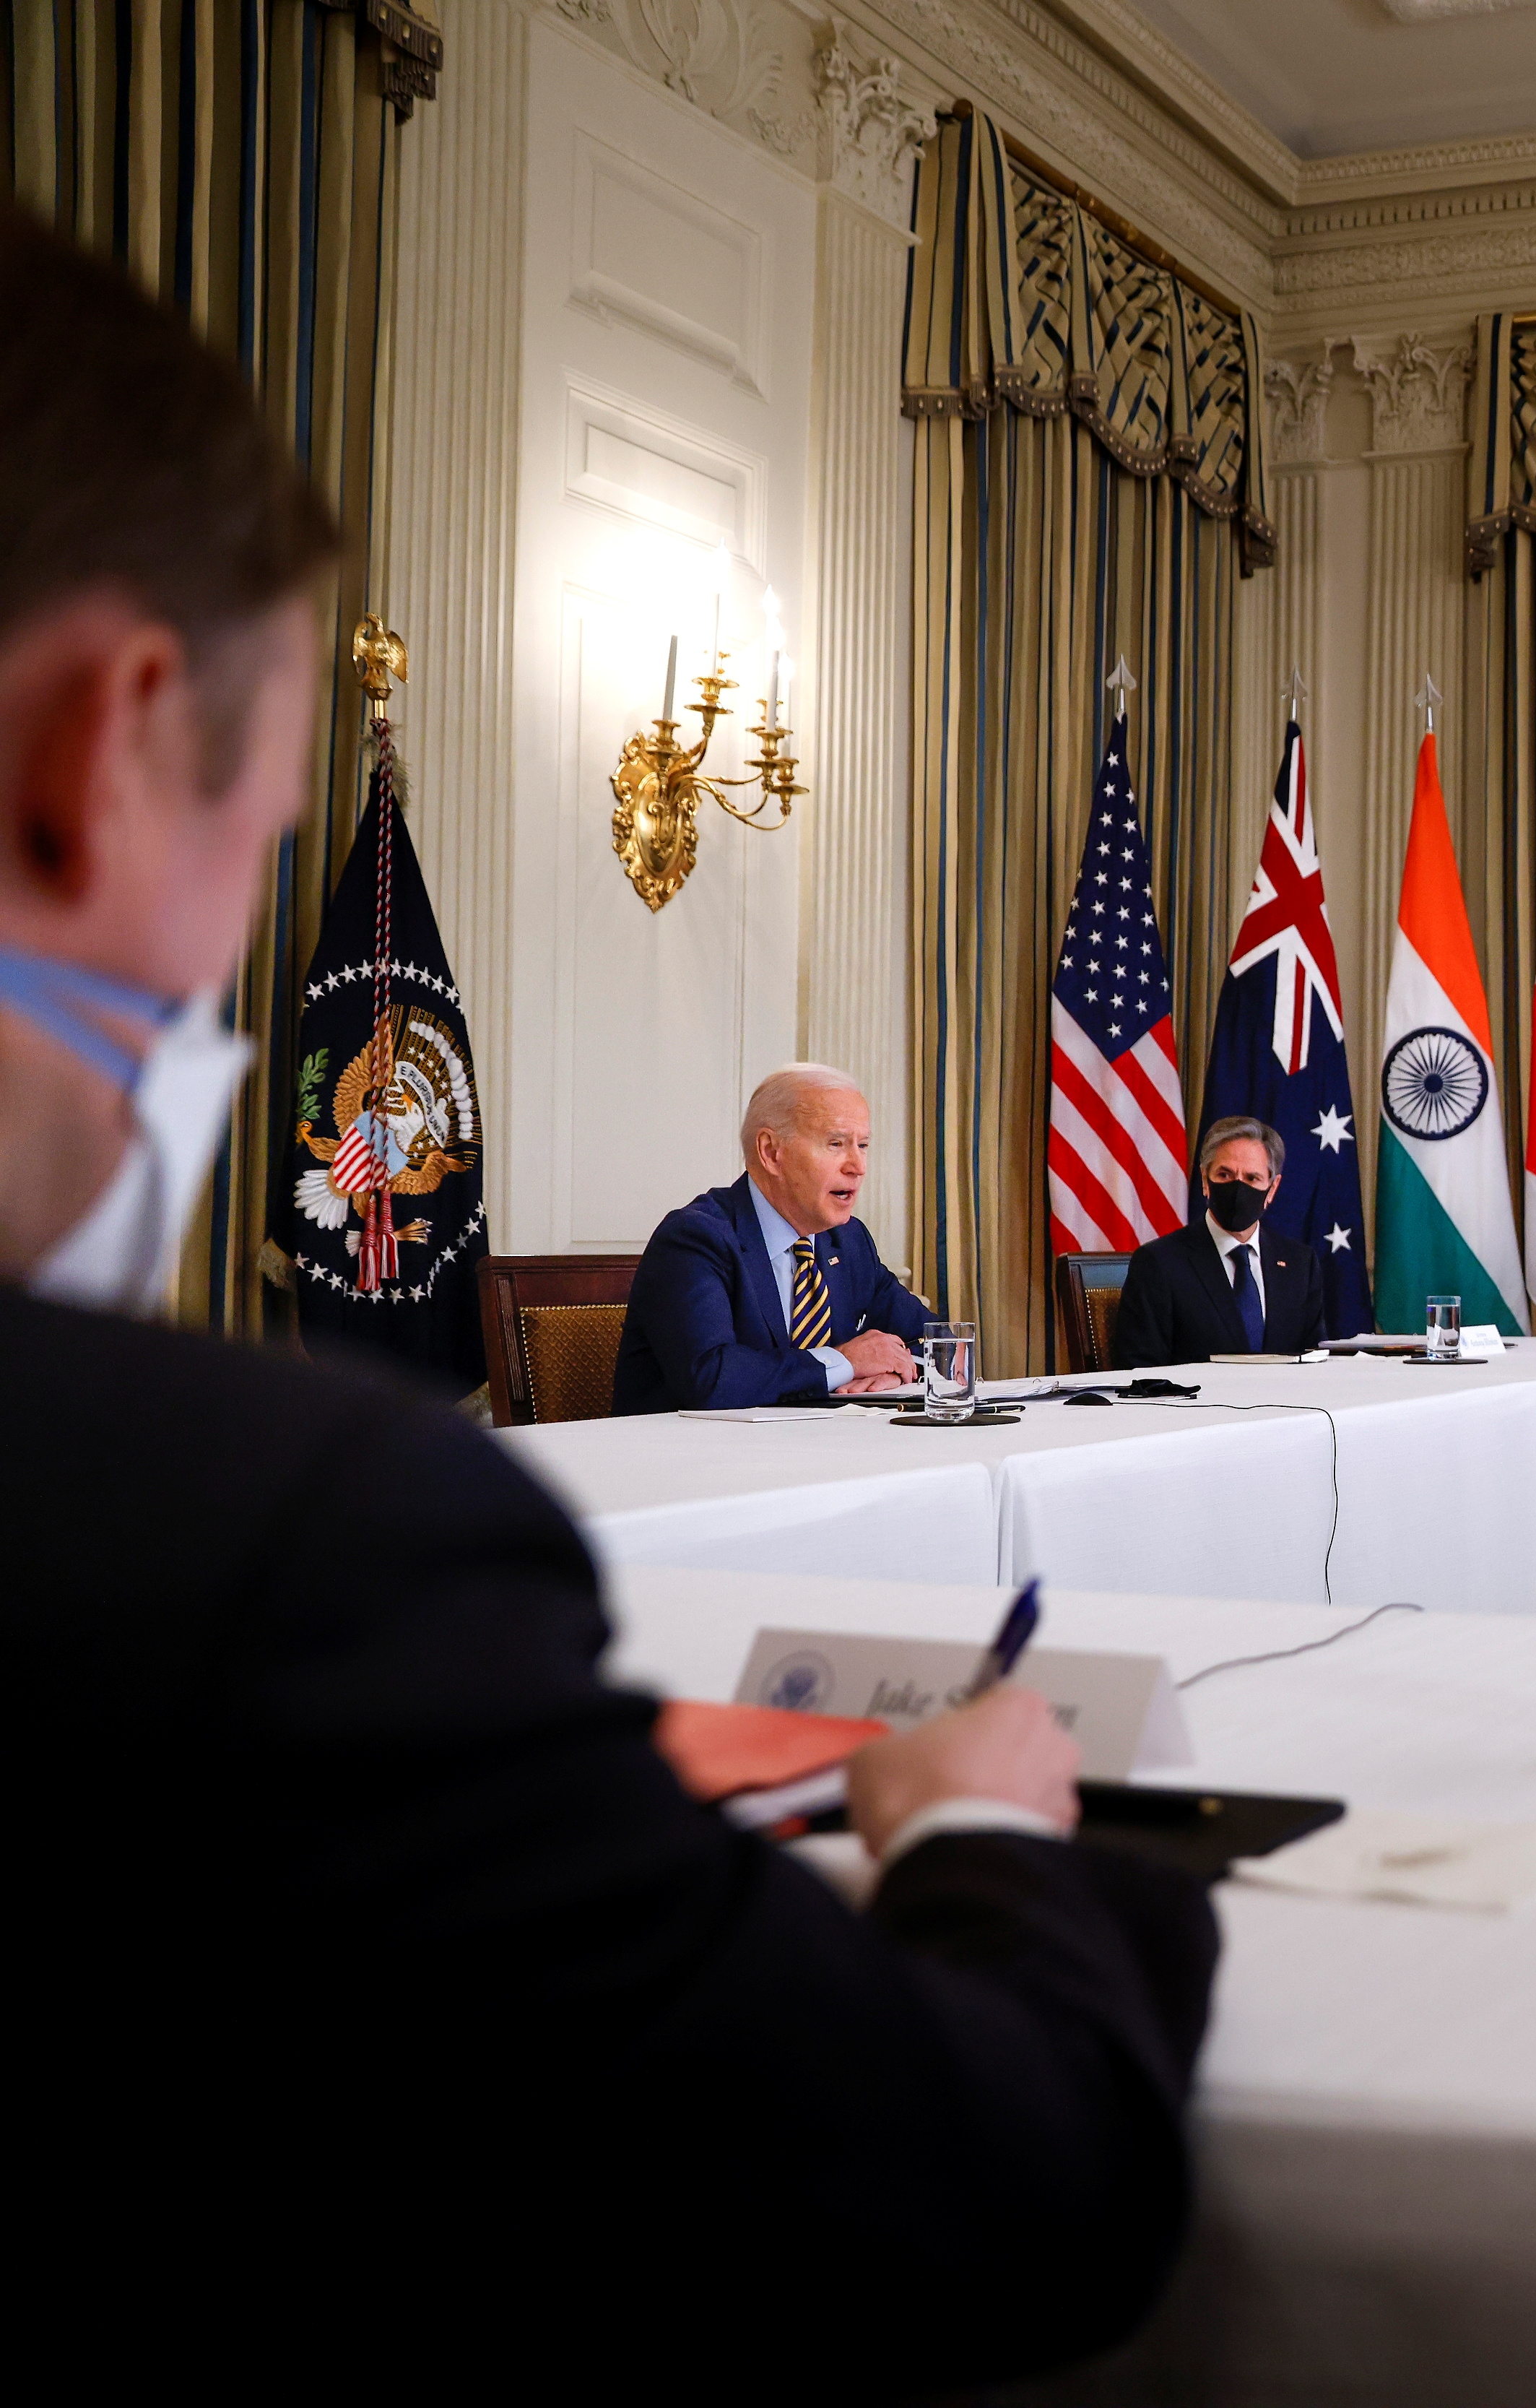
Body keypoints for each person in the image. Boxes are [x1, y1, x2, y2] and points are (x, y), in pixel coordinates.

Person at [0, 207, 1212, 2394]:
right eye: (257, 838)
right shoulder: (276, 1557)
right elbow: (997, 2187)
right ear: (107, 747)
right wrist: (970, 1843)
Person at [610, 1064, 934, 1411]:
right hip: (692, 1457)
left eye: (863, 1145)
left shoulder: (847, 1239)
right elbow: (709, 1378)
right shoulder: (696, 1238)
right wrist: (844, 1363)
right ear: (771, 1152)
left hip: (820, 1453)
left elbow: (942, 1342)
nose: (858, 1166)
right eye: (836, 1143)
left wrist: (899, 1370)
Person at [1116, 1113, 1325, 1361]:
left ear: (1272, 1189)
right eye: (1225, 1175)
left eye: (1252, 1178)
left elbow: (1314, 1359)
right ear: (1205, 1180)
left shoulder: (1300, 1264)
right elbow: (1139, 1365)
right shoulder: (1159, 1263)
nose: (1238, 1189)